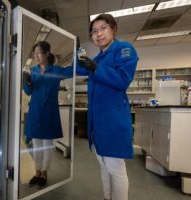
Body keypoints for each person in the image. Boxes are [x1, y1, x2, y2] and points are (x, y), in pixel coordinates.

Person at [76, 14, 138, 200]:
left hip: (113, 121)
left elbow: (122, 80)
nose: (98, 34)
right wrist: (76, 51)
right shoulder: (98, 57)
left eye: (103, 28)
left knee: (115, 169)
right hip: (98, 122)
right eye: (94, 31)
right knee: (103, 164)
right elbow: (78, 68)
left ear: (113, 29)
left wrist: (95, 68)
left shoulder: (124, 49)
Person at [23, 41, 73, 188]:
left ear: (46, 54)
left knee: (47, 146)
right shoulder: (33, 71)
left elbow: (72, 71)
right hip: (36, 112)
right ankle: (37, 172)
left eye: (39, 53)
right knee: (37, 145)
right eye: (35, 53)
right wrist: (29, 81)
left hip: (49, 112)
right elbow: (27, 91)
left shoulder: (56, 70)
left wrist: (79, 59)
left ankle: (44, 173)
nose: (36, 56)